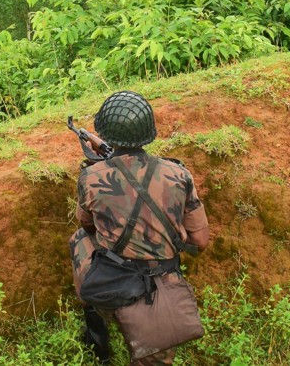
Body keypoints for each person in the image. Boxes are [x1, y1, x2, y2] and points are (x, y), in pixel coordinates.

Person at [69, 91, 212, 366]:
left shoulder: (91, 177)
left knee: (79, 240)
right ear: (149, 132)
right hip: (163, 293)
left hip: (110, 290)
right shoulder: (178, 174)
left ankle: (98, 340)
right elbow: (200, 241)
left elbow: (86, 223)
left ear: (106, 133)